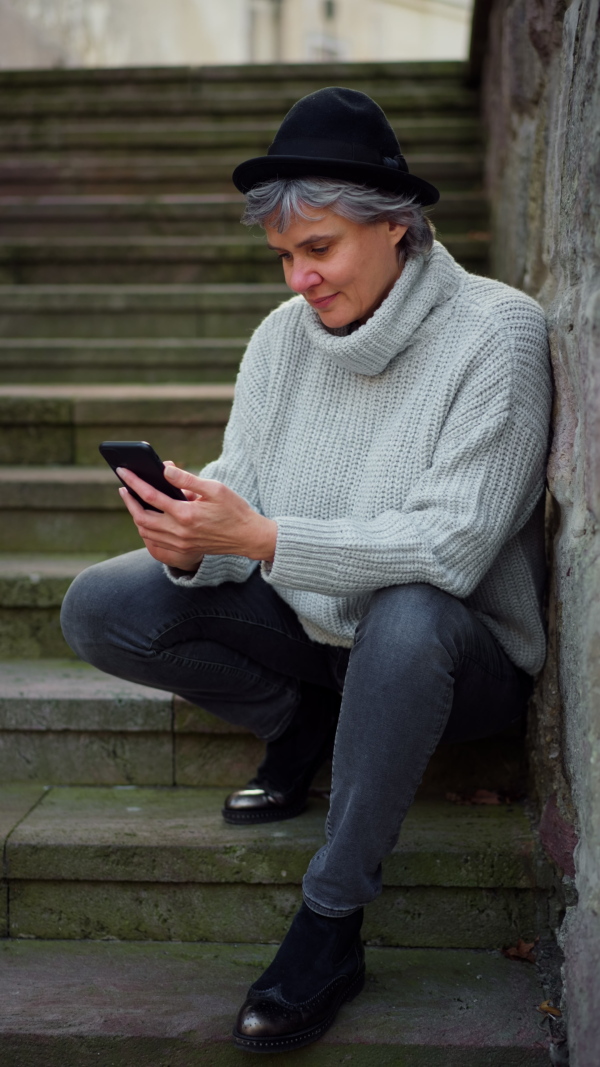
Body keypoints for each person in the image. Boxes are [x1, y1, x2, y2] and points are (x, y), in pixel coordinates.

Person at [60, 87, 551, 1054]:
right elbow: (246, 481)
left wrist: (265, 539)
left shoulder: (498, 332)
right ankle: (305, 719)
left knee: (407, 615)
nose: (298, 279)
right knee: (101, 604)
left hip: (458, 657)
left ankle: (330, 922)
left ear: (397, 225)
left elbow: (451, 549)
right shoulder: (281, 339)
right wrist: (195, 537)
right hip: (313, 624)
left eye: (317, 248)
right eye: (285, 255)